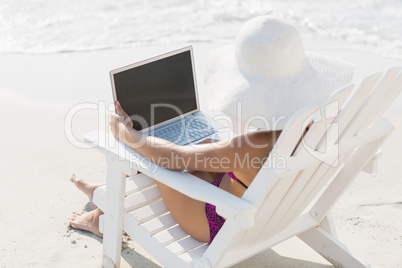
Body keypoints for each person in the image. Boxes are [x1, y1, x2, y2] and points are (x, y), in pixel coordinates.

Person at [70, 15, 353, 244]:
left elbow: (175, 159)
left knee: (150, 150)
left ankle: (103, 209)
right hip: (270, 205)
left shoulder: (260, 142)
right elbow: (221, 156)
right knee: (198, 141)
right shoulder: (321, 121)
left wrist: (129, 136)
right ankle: (104, 197)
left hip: (219, 221)